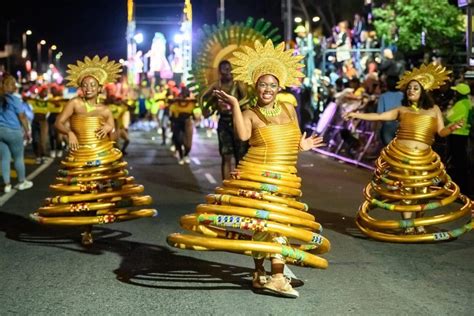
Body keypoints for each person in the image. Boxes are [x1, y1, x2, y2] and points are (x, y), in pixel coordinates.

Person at [168, 40, 330, 298]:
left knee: (272, 224)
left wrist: (303, 145)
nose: (267, 89)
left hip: (285, 178)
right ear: (256, 86)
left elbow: (293, 138)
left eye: (272, 85)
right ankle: (277, 276)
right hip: (259, 176)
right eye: (263, 84)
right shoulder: (250, 113)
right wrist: (234, 105)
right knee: (270, 225)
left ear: (279, 87)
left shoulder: (289, 108)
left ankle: (259, 274)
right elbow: (243, 137)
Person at [30, 56, 157, 246]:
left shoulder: (105, 110)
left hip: (100, 156)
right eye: (85, 84)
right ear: (81, 87)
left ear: (99, 88)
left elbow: (112, 132)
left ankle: (88, 230)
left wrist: (109, 129)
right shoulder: (75, 103)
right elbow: (58, 123)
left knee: (97, 193)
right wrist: (70, 132)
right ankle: (83, 226)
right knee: (81, 193)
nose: (88, 88)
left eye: (92, 84)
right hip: (80, 156)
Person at [344, 63, 472, 242]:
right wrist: (357, 115)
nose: (411, 91)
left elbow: (441, 132)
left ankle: (419, 223)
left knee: (422, 190)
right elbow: (379, 117)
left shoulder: (434, 110)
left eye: (415, 88)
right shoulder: (401, 110)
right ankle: (406, 226)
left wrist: (452, 127)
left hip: (424, 157)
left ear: (423, 90)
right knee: (405, 192)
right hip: (402, 157)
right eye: (409, 88)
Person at [199, 60, 250, 180]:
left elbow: (246, 99)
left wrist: (234, 105)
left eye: (228, 68)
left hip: (238, 122)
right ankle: (226, 186)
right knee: (226, 155)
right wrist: (204, 109)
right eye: (224, 69)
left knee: (240, 157)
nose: (226, 71)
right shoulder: (217, 85)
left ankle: (239, 186)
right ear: (219, 71)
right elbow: (201, 96)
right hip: (224, 122)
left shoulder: (238, 84)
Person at [0, 74, 33, 193]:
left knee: (4, 158)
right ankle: (21, 182)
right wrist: (27, 132)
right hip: (13, 131)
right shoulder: (14, 99)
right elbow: (22, 117)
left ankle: (7, 184)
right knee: (18, 158)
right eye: (14, 84)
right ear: (11, 86)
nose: (15, 87)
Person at [446, 83, 472, 193]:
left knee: (457, 160)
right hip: (464, 134)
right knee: (461, 159)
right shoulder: (468, 103)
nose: (454, 93)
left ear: (459, 93)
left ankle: (459, 185)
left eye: (456, 91)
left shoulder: (460, 104)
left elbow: (448, 117)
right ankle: (462, 184)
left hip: (457, 134)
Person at [169, 86, 195, 164]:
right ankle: (180, 155)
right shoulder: (175, 103)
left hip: (187, 122)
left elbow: (194, 113)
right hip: (177, 122)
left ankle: (186, 154)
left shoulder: (192, 103)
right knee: (178, 140)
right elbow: (171, 115)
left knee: (188, 144)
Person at [376, 75, 403, 145]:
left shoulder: (383, 96)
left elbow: (380, 114)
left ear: (386, 85)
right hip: (402, 126)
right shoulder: (404, 96)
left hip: (388, 125)